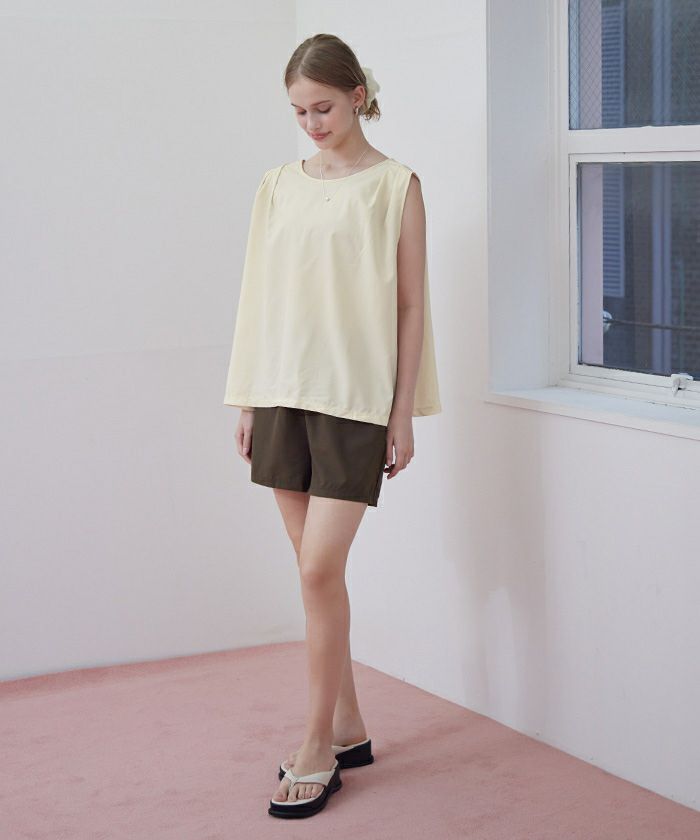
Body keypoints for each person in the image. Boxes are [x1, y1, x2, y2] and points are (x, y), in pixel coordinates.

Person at [222, 33, 441, 818]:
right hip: (283, 391)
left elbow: (410, 306)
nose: (312, 124)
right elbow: (259, 295)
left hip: (355, 400)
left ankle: (317, 746)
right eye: (298, 112)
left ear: (357, 95)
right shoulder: (278, 185)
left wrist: (401, 413)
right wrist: (248, 397)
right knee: (315, 576)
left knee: (319, 571)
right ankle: (349, 725)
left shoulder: (396, 185)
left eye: (323, 107)